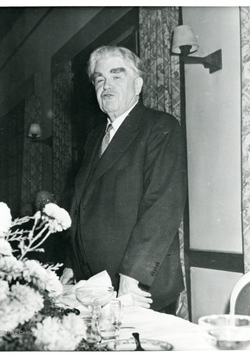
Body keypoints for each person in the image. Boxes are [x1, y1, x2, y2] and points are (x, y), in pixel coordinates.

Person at [61, 46, 187, 313]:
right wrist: (72, 262)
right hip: (95, 283)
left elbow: (162, 206)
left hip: (136, 287)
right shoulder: (95, 137)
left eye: (117, 76)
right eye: (99, 79)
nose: (106, 85)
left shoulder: (160, 127)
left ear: (138, 84)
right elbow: (83, 204)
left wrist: (133, 277)